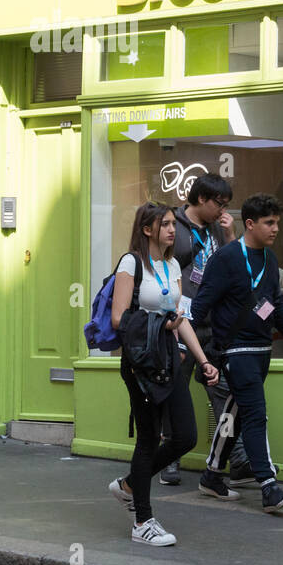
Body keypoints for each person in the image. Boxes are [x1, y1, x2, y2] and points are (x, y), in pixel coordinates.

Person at [107, 202, 219, 547]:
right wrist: (161, 323)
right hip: (141, 361)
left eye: (174, 224)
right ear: (147, 229)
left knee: (185, 436)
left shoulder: (172, 266)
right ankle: (142, 521)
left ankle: (129, 484)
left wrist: (202, 360)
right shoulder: (131, 263)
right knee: (148, 438)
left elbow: (180, 318)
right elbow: (118, 318)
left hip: (169, 358)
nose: (173, 230)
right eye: (166, 224)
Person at [189, 193, 283, 513]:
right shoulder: (226, 258)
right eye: (269, 223)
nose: (275, 229)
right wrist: (188, 347)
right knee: (256, 413)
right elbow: (201, 305)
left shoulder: (270, 259)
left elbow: (275, 304)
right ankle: (268, 486)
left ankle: (212, 475)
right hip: (235, 350)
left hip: (261, 350)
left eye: (277, 223)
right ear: (251, 224)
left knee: (235, 413)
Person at [161, 173, 238, 488]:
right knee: (174, 387)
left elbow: (234, 265)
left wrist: (230, 234)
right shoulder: (174, 226)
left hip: (212, 322)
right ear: (202, 198)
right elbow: (162, 270)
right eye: (219, 204)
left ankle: (233, 457)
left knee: (224, 390)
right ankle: (169, 456)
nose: (223, 210)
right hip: (181, 320)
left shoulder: (219, 229)